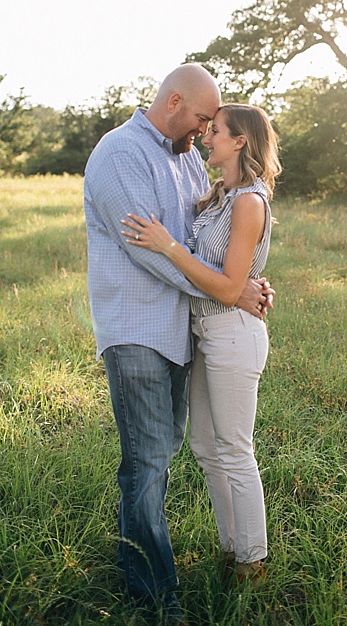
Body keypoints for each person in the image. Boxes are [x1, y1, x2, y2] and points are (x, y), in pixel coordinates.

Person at [82, 63, 270, 621]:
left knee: (172, 452)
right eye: (202, 120)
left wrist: (241, 282)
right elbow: (148, 249)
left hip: (186, 332)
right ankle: (154, 594)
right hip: (137, 330)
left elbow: (203, 243)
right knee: (146, 461)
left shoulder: (189, 158)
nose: (204, 132)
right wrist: (233, 292)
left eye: (213, 126)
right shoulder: (119, 155)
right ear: (174, 104)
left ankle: (233, 559)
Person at [123, 103, 281, 586]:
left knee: (234, 449)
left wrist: (167, 245)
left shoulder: (250, 202)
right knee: (205, 447)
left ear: (240, 142)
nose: (206, 137)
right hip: (206, 334)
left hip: (234, 334)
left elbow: (229, 286)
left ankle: (252, 562)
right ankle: (232, 546)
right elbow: (228, 275)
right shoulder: (218, 196)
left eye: (216, 132)